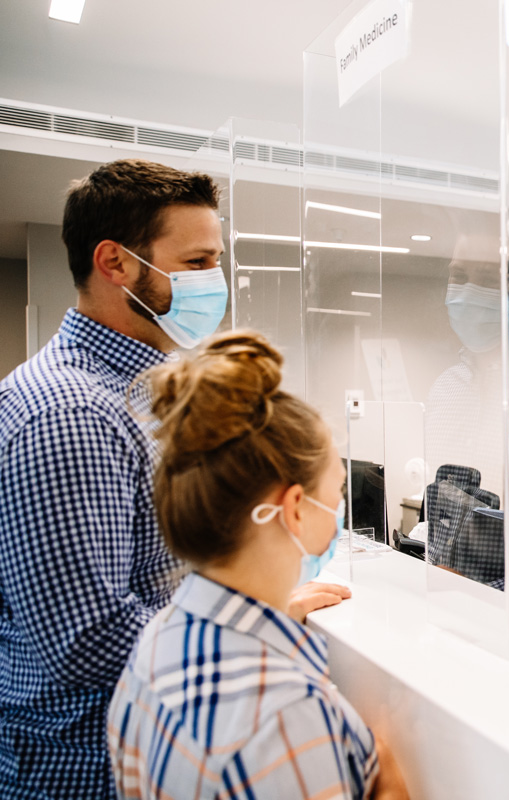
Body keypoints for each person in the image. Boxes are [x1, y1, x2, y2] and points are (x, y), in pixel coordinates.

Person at [0, 159, 346, 798]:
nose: (212, 282)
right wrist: (241, 622)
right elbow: (86, 637)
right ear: (116, 264)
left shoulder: (131, 393)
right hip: (79, 772)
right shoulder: (71, 413)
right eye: (195, 263)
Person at [108, 331, 407, 799]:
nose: (341, 506)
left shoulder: (156, 640)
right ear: (293, 510)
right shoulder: (284, 716)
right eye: (338, 489)